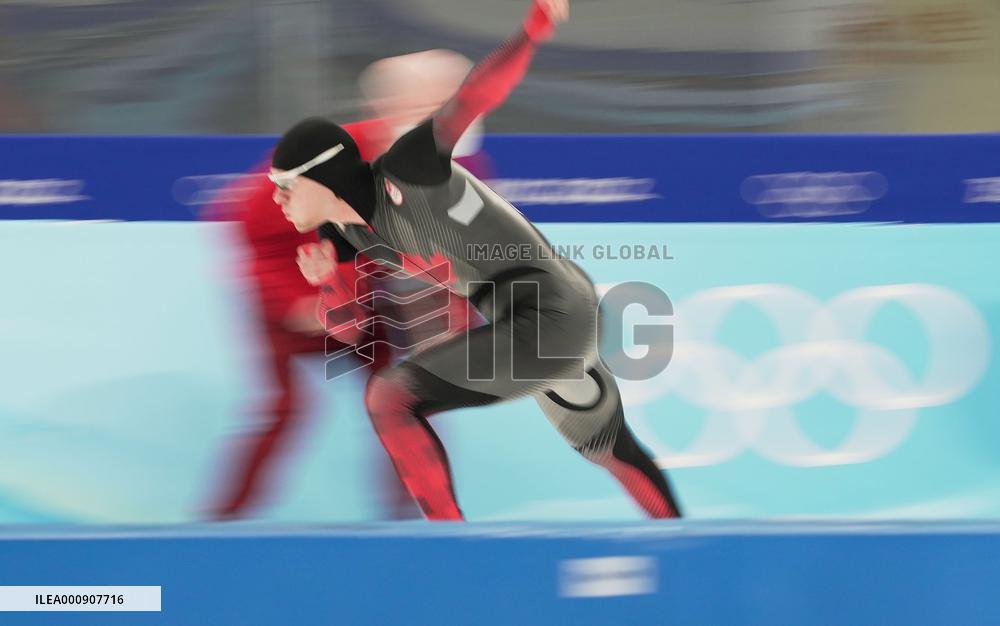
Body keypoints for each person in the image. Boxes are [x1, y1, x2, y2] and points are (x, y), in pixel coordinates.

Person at [272, 0, 682, 520]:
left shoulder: (408, 167)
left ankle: (453, 549)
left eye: (285, 186)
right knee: (607, 446)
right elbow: (351, 330)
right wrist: (328, 281)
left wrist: (533, 28)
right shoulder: (343, 235)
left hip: (548, 310)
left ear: (319, 176)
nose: (279, 200)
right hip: (534, 320)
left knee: (391, 398)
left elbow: (475, 96)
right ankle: (686, 549)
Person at [207, 52, 485, 520]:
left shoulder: (462, 164)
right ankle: (219, 527)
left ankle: (413, 529)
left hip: (372, 294)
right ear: (390, 102)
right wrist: (294, 300)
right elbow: (244, 218)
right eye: (437, 97)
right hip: (298, 283)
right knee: (284, 408)